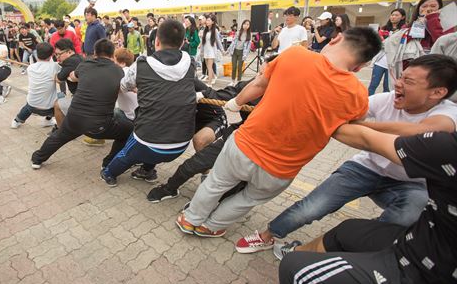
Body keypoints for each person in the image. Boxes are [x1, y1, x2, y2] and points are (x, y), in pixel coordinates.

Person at [176, 27, 382, 239]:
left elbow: (259, 83)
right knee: (247, 198)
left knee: (215, 184)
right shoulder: (358, 95)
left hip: (244, 146)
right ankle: (211, 226)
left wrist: (236, 103)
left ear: (337, 38)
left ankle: (190, 219)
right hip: (281, 169)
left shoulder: (295, 54)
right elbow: (351, 127)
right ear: (359, 67)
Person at [240, 54, 457, 254]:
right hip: (366, 168)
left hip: (412, 183)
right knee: (312, 207)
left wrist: (367, 130)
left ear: (437, 93)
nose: (398, 83)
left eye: (409, 82)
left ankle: (356, 254)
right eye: (401, 77)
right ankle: (267, 236)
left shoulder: (448, 113)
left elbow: (424, 132)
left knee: (404, 218)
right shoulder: (387, 98)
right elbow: (341, 115)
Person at [279, 125, 456, 284]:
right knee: (349, 230)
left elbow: (367, 138)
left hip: (430, 283)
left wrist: (319, 118)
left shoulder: (447, 145)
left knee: (297, 273)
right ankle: (296, 251)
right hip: (422, 242)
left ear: (438, 93)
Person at [100, 19, 196, 186]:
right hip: (182, 144)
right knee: (157, 124)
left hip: (148, 142)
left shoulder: (142, 64)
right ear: (182, 43)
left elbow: (125, 85)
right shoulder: (191, 62)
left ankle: (108, 174)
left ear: (156, 41)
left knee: (126, 153)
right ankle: (147, 170)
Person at [31, 39, 133, 170]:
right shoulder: (118, 71)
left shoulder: (85, 65)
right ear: (113, 55)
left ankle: (37, 159)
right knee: (128, 130)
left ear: (95, 53)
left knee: (58, 137)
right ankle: (107, 164)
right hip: (100, 126)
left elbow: (73, 77)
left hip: (74, 118)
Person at [11, 42, 59, 129]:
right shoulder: (55, 67)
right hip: (48, 109)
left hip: (31, 106)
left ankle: (16, 121)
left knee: (29, 103)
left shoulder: (30, 68)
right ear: (51, 55)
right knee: (60, 101)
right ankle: (48, 120)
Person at [368, 8, 406, 95]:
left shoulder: (403, 31)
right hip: (380, 61)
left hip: (392, 62)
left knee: (387, 87)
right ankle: (367, 103)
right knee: (373, 85)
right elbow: (378, 43)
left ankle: (385, 105)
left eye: (396, 15)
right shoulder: (383, 29)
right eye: (392, 15)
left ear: (402, 17)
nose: (393, 17)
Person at [52, 38, 84, 128]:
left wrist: (55, 75)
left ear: (69, 52)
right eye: (56, 54)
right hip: (86, 96)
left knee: (57, 104)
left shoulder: (70, 62)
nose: (57, 57)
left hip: (82, 100)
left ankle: (61, 131)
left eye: (59, 54)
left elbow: (59, 79)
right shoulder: (79, 57)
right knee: (62, 95)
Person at [200, 14, 223, 85]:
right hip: (206, 51)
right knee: (208, 66)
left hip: (212, 51)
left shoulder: (215, 30)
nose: (207, 21)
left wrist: (222, 50)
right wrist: (202, 51)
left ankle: (209, 83)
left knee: (209, 68)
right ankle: (214, 77)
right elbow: (203, 42)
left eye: (208, 20)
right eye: (206, 20)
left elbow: (218, 41)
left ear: (213, 22)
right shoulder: (205, 30)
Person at [227, 20, 251, 85]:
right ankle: (232, 81)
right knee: (234, 66)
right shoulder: (238, 32)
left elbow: (248, 47)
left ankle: (239, 81)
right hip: (235, 51)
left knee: (240, 67)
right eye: (245, 24)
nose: (246, 25)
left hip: (242, 53)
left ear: (249, 26)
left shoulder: (249, 35)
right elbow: (233, 42)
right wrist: (228, 50)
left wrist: (245, 55)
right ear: (242, 24)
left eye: (247, 24)